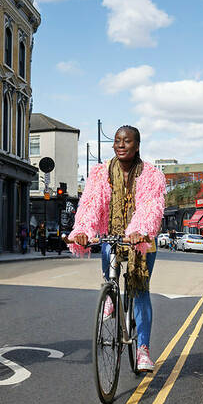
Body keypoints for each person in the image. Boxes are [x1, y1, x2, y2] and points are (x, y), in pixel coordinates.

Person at [64, 125, 165, 372]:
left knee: (140, 291)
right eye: (117, 141)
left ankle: (143, 350)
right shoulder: (100, 173)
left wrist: (139, 231)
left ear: (137, 145)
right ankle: (110, 292)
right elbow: (89, 204)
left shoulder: (151, 175)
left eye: (127, 141)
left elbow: (151, 207)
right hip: (113, 234)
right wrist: (83, 232)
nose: (121, 145)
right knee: (109, 250)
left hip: (141, 239)